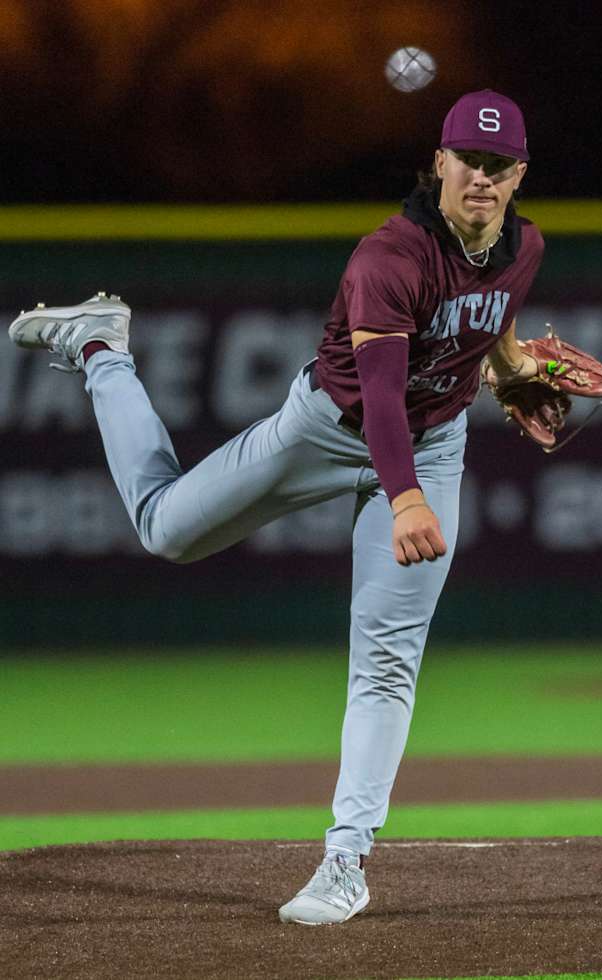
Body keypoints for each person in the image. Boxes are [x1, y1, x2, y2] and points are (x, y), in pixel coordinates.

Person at [8, 89, 544, 926]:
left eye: (498, 164)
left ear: (518, 175)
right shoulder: (389, 257)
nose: (481, 177)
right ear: (438, 163)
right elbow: (379, 392)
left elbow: (493, 325)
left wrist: (513, 378)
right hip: (329, 429)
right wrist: (404, 497)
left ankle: (346, 860)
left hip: (436, 445)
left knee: (390, 662)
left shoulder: (525, 245)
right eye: (467, 161)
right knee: (165, 529)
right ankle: (102, 347)